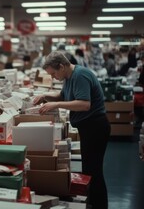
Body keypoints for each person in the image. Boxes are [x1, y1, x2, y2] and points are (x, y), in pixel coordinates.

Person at [33, 51, 110, 209]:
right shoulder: (69, 77)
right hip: (88, 127)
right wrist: (45, 97)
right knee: (89, 168)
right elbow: (63, 96)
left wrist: (56, 105)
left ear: (61, 66)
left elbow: (84, 104)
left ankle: (100, 205)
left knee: (94, 171)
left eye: (54, 74)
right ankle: (93, 203)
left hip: (95, 127)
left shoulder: (80, 75)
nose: (54, 77)